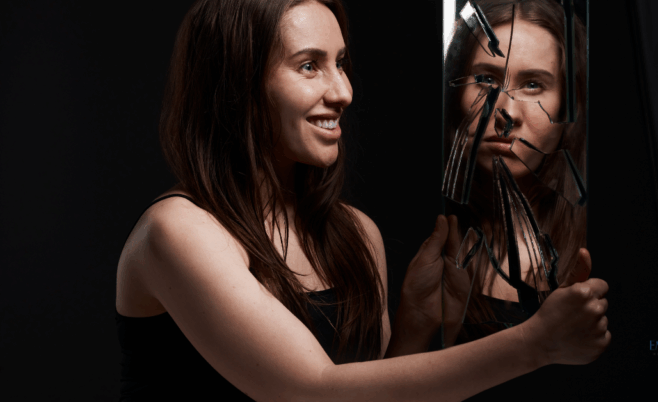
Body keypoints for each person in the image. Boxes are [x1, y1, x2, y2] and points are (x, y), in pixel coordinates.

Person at [115, 0, 609, 400]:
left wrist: (414, 327)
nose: (344, 92)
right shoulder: (178, 231)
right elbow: (308, 392)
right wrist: (534, 344)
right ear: (236, 85)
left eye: (341, 64)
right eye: (309, 66)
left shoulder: (355, 233)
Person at [442, 0, 591, 346]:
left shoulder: (591, 240)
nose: (504, 113)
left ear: (567, 107)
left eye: (533, 85)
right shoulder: (423, 237)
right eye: (485, 79)